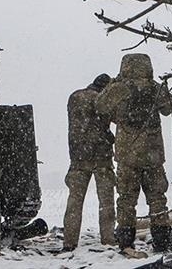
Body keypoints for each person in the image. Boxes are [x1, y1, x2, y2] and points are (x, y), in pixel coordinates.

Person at [97, 54, 172, 255]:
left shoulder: (119, 88)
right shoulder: (155, 87)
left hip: (127, 155)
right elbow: (169, 108)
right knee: (158, 198)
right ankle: (161, 241)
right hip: (153, 155)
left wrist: (114, 83)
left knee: (126, 200)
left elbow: (100, 106)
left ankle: (126, 241)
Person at [62, 73, 115, 250]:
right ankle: (108, 240)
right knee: (106, 202)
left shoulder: (74, 97)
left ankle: (69, 242)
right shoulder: (102, 100)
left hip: (78, 157)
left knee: (74, 202)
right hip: (101, 157)